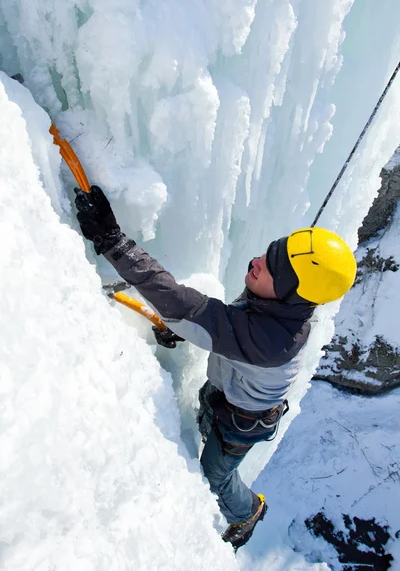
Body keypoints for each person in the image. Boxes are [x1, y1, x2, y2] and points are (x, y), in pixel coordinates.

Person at [74, 185, 357, 550]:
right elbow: (223, 329)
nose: (257, 261)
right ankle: (210, 432)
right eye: (270, 253)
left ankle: (247, 513)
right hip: (229, 392)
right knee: (206, 416)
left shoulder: (272, 341)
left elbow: (189, 309)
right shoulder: (285, 303)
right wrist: (185, 329)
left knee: (216, 474)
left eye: (273, 269)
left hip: (243, 422)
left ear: (294, 293)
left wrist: (115, 243)